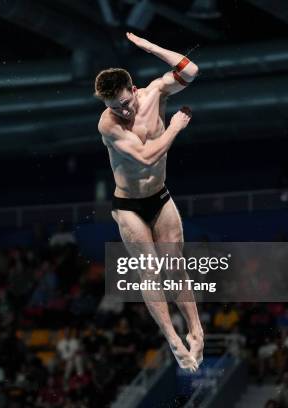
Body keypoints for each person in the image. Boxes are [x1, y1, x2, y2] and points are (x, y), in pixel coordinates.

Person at [95, 33, 203, 371]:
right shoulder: (108, 124)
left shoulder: (155, 91)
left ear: (134, 89)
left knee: (175, 265)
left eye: (126, 103)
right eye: (115, 107)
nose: (123, 111)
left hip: (160, 196)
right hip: (128, 206)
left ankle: (196, 330)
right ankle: (172, 338)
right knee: (150, 271)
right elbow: (145, 157)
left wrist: (152, 48)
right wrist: (174, 129)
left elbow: (190, 71)